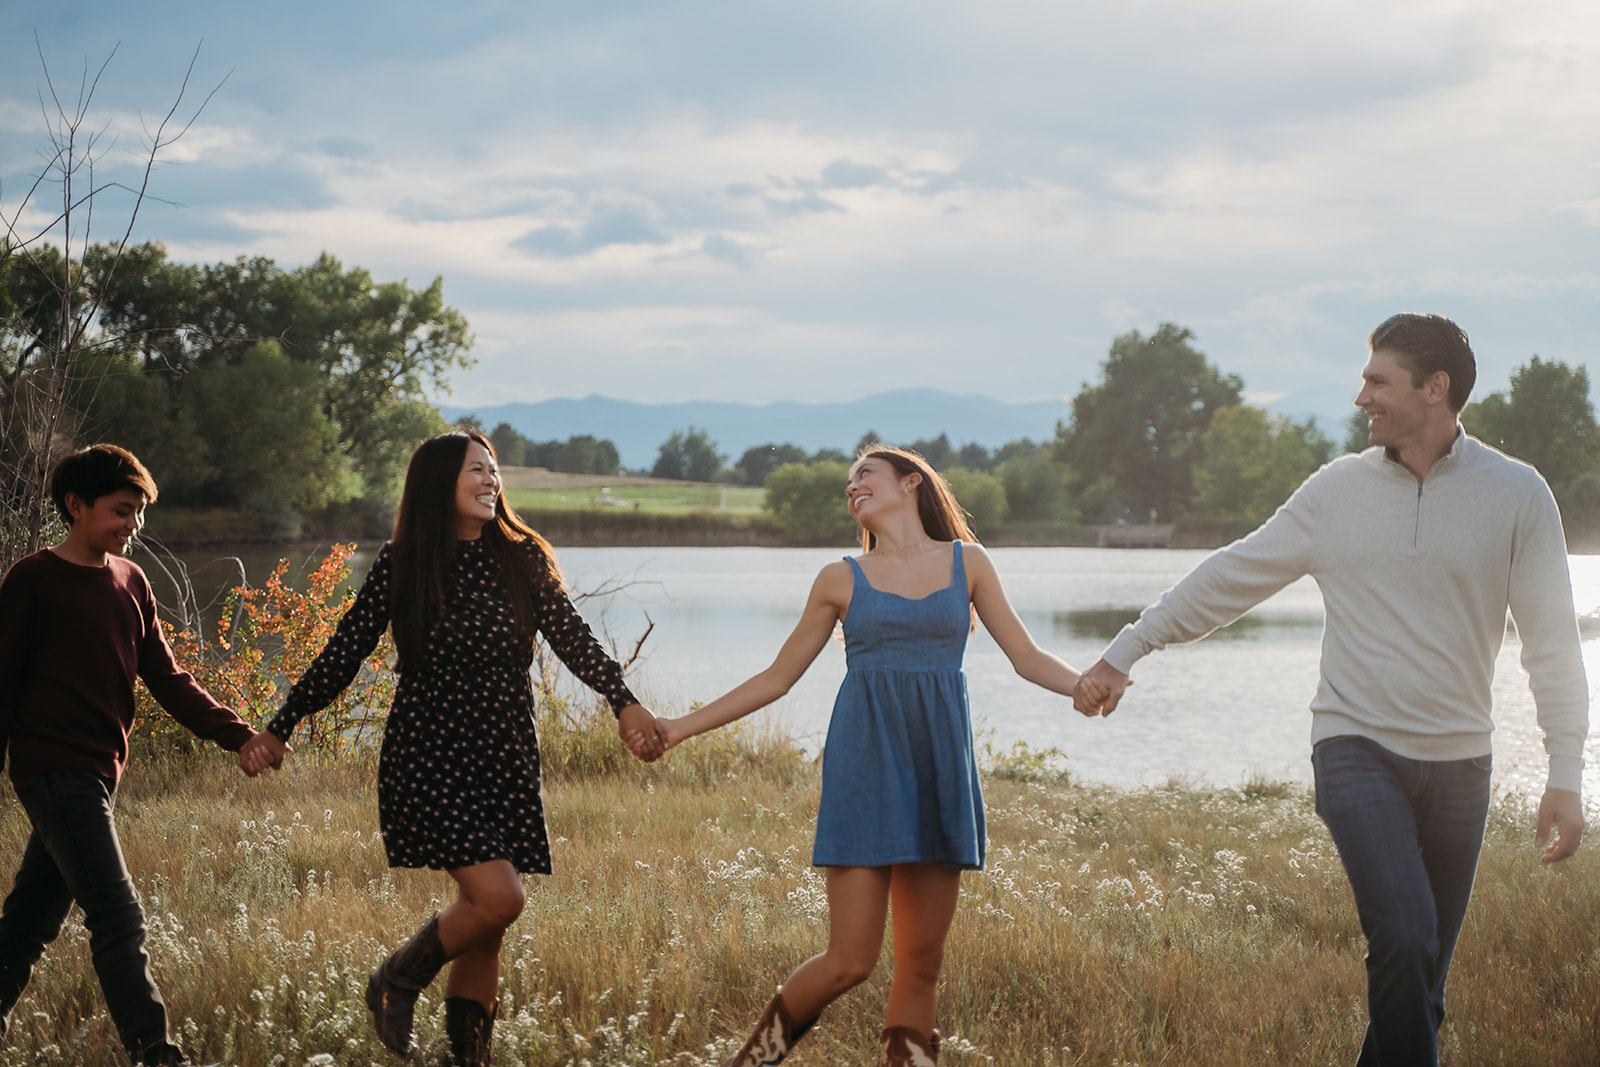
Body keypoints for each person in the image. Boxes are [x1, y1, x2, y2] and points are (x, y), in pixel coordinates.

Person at [1073, 313, 1589, 1066]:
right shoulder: (1336, 490)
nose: (1362, 398)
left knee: (1422, 984)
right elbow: (1231, 574)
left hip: (1460, 764)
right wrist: (1128, 648)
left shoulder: (1517, 494)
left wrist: (1566, 771)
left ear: (1434, 387)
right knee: (1405, 936)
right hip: (1355, 748)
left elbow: (1552, 643)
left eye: (1378, 380)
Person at [647, 446, 1101, 1066]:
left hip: (939, 771)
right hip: (865, 770)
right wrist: (678, 727)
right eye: (848, 481)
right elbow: (777, 678)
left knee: (922, 964)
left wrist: (1080, 683)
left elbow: (1025, 656)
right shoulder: (840, 578)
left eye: (866, 474)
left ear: (911, 483)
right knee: (850, 960)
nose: (852, 487)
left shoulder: (969, 564)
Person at [239, 431, 664, 1066]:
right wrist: (282, 723)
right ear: (440, 482)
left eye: (494, 471)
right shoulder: (404, 561)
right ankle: (396, 981)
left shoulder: (523, 558)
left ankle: (466, 1060)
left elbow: (574, 638)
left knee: (487, 928)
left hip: (505, 756)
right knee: (501, 898)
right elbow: (345, 651)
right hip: (429, 752)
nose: (492, 480)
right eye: (477, 470)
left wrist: (622, 698)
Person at [0, 444, 273, 1067]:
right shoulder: (33, 580)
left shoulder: (131, 582)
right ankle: (156, 1054)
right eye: (122, 511)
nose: (134, 525)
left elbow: (169, 679)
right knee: (118, 916)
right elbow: (2, 684)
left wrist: (240, 734)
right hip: (52, 770)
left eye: (140, 513)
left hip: (98, 775)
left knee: (30, 922)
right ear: (76, 505)